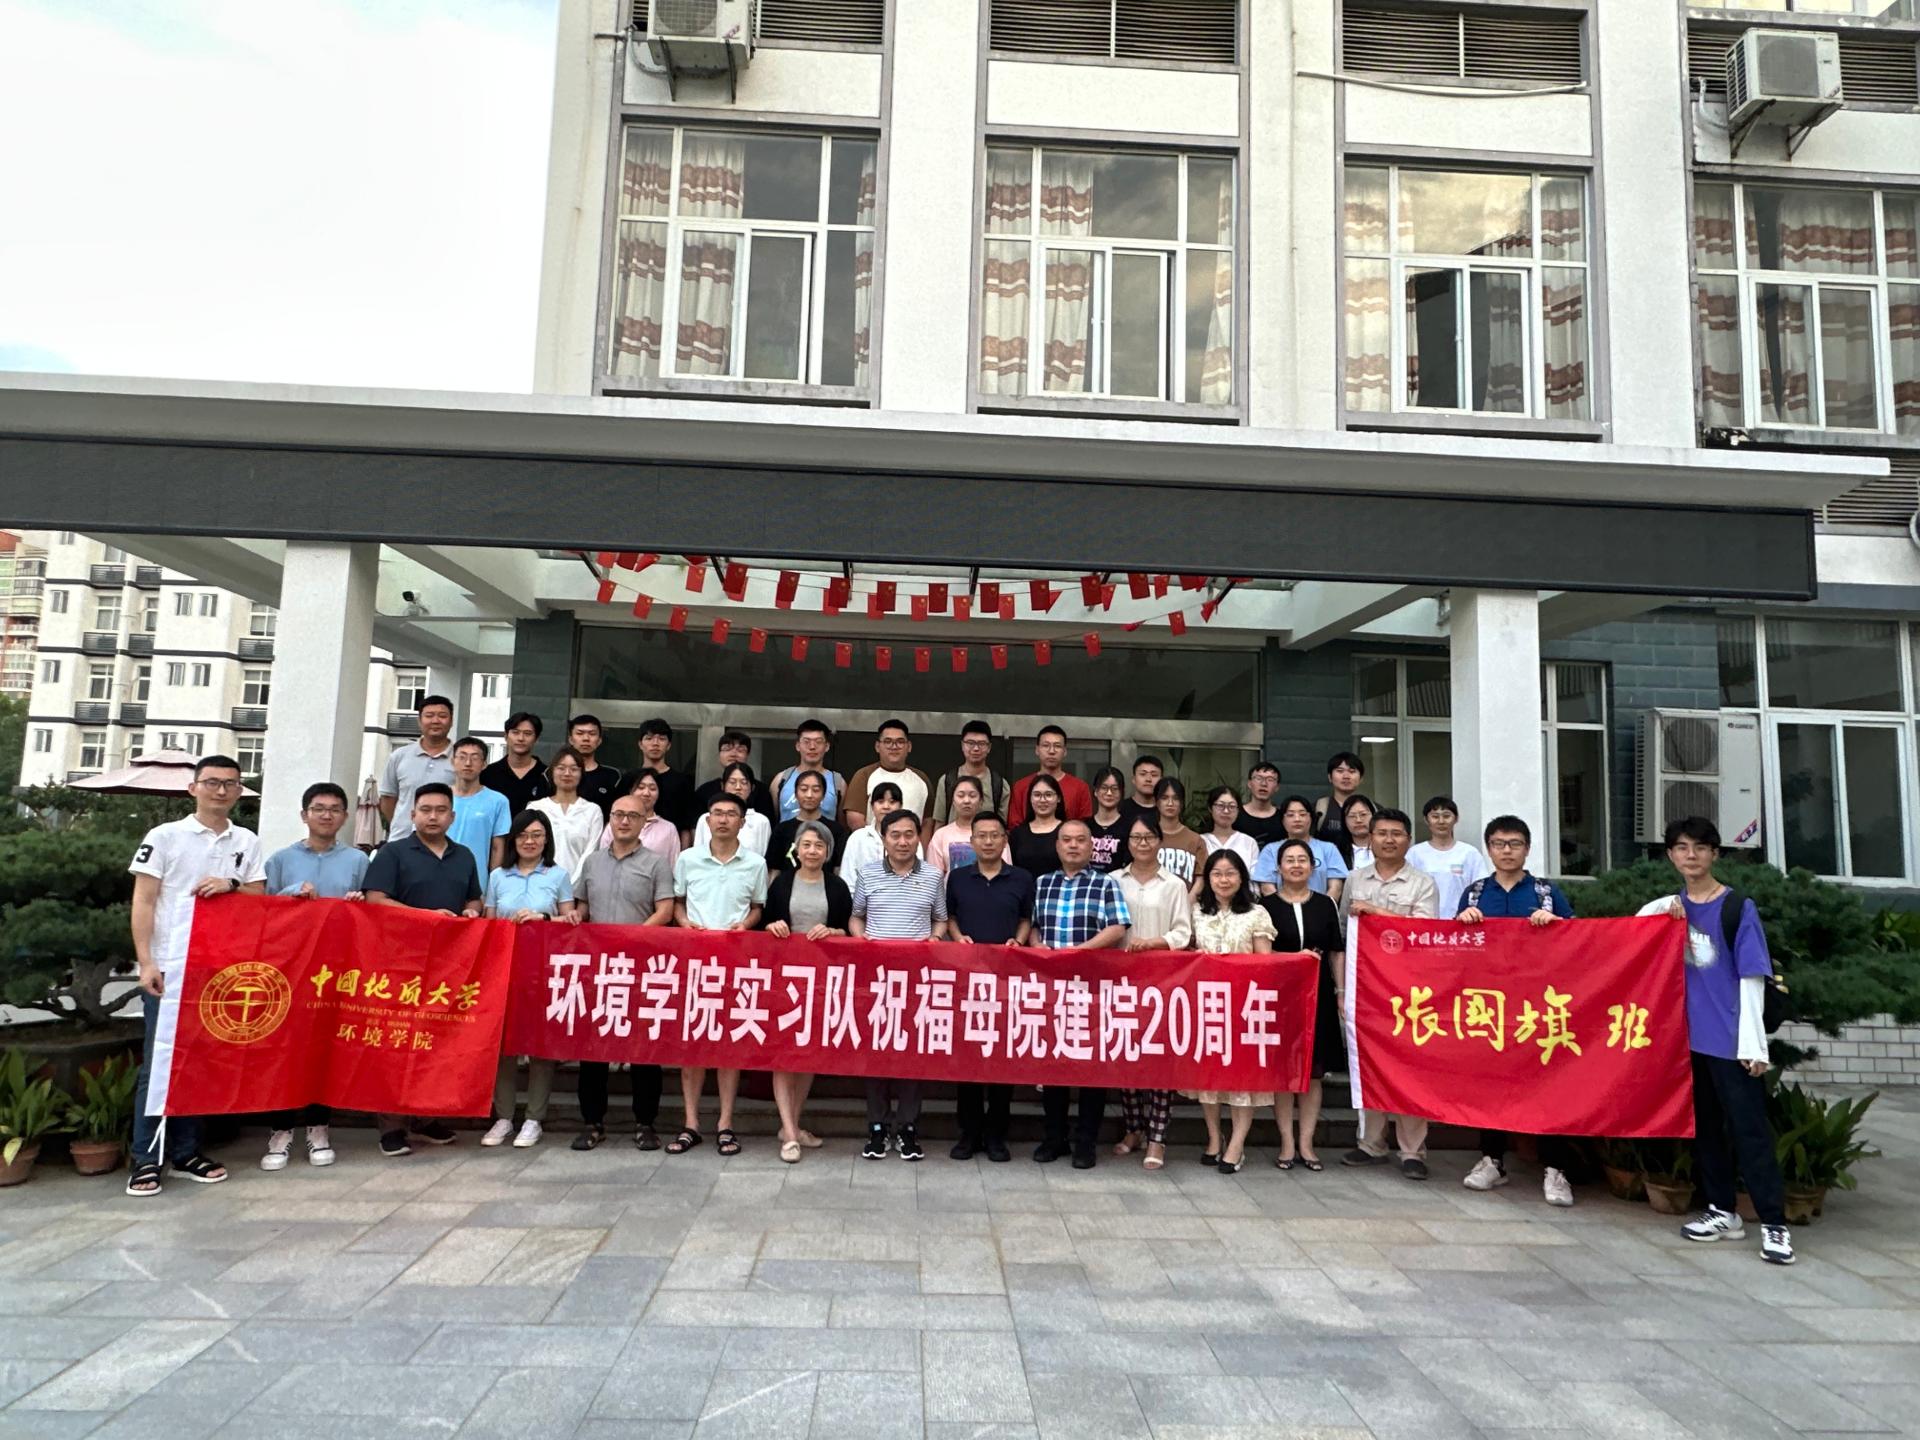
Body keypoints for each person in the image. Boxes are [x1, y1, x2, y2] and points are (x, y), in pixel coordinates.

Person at [1642, 817, 1794, 1265]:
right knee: (1706, 1129)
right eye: (1681, 847)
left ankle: (1774, 1224)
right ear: (1670, 855)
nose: (1691, 855)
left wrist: (1754, 1046)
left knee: (1749, 1131)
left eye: (1700, 847)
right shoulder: (1671, 908)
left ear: (1715, 854)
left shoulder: (1737, 908)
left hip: (1732, 1042)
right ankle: (1722, 1211)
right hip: (1690, 1042)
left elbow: (1753, 977)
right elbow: (1632, 929)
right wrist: (1664, 906)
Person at [124, 754, 265, 1196]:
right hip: (169, 966)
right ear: (194, 788)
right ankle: (146, 1158)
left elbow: (258, 895)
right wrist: (146, 961)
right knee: (160, 1062)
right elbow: (144, 900)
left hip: (217, 970)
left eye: (230, 784)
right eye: (212, 782)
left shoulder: (246, 840)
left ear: (239, 791)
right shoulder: (165, 836)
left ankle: (186, 1152)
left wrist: (231, 884)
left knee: (199, 1063)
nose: (221, 791)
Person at [1454, 814, 1578, 1205]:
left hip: (1539, 1006)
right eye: (1499, 844)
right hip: (1490, 1006)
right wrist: (1461, 922)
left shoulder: (1546, 892)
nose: (1506, 851)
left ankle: (1555, 1168)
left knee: (1550, 1085)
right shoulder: (1475, 892)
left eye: (1514, 844)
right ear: (1489, 849)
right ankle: (1492, 1160)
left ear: (1527, 849)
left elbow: (1579, 940)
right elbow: (1454, 949)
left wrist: (1555, 923)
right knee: (1490, 1083)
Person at [362, 782, 483, 1158]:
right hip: (400, 962)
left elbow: (474, 897)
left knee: (437, 1042)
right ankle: (392, 1126)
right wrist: (425, 917)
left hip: (448, 964)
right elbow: (375, 899)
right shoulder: (393, 852)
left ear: (452, 816)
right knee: (398, 1042)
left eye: (440, 810)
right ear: (412, 814)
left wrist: (472, 911)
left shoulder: (464, 855)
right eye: (426, 810)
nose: (433, 817)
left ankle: (425, 1117)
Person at [259, 781, 368, 1172]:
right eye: (319, 808)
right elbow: (262, 911)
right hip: (289, 968)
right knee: (286, 1049)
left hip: (336, 968)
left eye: (335, 809)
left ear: (345, 816)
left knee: (326, 1048)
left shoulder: (358, 861)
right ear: (304, 814)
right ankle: (280, 1130)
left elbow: (370, 914)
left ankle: (319, 1128)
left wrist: (359, 903)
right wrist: (290, 893)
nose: (326, 815)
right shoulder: (280, 860)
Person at [1339, 806, 1442, 1180]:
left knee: (1410, 1068)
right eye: (1381, 833)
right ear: (1370, 838)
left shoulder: (1422, 883)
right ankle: (1371, 1144)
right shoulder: (1355, 879)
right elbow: (1344, 934)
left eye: (1396, 834)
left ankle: (1413, 1151)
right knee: (1369, 1063)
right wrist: (1342, 987)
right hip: (1366, 988)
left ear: (1408, 840)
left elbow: (1424, 932)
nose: (1388, 840)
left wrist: (1376, 912)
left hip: (1409, 990)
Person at [571, 792, 676, 1153]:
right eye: (618, 815)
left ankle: (646, 1123)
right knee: (594, 1047)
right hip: (599, 967)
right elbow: (583, 907)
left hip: (642, 966)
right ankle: (592, 1121)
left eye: (632, 816)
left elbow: (665, 910)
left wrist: (632, 939)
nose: (624, 821)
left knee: (644, 1048)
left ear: (644, 822)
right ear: (610, 820)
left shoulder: (656, 864)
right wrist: (575, 916)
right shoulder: (592, 863)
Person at [670, 793, 769, 1158]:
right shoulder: (688, 859)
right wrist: (684, 923)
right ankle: (691, 1123)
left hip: (736, 962)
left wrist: (747, 924)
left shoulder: (755, 863)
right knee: (693, 1044)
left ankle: (725, 1123)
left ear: (742, 822)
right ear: (707, 820)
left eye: (731, 814)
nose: (724, 819)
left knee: (730, 1044)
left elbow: (757, 907)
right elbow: (677, 903)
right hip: (695, 961)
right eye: (717, 813)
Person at [1030, 820, 1130, 1168]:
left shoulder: (1106, 883)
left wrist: (1080, 952)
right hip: (1052, 987)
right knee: (1053, 1065)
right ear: (1057, 845)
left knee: (1091, 1068)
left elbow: (1118, 926)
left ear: (1092, 846)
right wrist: (1039, 948)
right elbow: (1033, 927)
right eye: (1067, 840)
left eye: (1080, 840)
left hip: (1092, 987)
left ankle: (1086, 1142)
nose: (1073, 846)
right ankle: (1054, 1138)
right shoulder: (1042, 883)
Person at [850, 810, 949, 1162]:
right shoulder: (868, 873)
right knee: (875, 1053)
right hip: (876, 979)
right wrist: (861, 940)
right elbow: (857, 915)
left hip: (917, 980)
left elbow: (940, 918)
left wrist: (935, 939)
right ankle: (877, 1127)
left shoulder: (933, 876)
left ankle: (908, 1127)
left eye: (909, 834)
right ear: (884, 838)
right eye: (895, 835)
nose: (903, 842)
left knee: (911, 1055)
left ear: (918, 838)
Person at [482, 812, 579, 1149]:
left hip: (544, 970)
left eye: (537, 835)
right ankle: (504, 1116)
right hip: (505, 969)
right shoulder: (498, 876)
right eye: (523, 835)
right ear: (513, 839)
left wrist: (544, 918)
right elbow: (489, 923)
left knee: (540, 1045)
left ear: (546, 839)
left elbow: (571, 921)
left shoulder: (558, 875)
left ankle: (534, 1118)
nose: (529, 841)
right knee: (504, 1045)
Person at [945, 809, 1033, 1162]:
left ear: (1004, 840)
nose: (988, 841)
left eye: (995, 835)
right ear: (971, 842)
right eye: (981, 836)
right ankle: (968, 1134)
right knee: (967, 1059)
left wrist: (1018, 941)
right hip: (967, 979)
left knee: (1001, 1060)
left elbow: (1026, 918)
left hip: (1007, 979)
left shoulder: (1021, 878)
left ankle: (996, 1136)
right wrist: (957, 937)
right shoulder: (958, 878)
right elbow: (950, 918)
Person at [760, 820, 849, 1164]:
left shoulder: (837, 887)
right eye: (807, 845)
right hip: (784, 978)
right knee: (784, 1053)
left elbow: (847, 930)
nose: (812, 851)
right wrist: (772, 925)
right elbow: (765, 923)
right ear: (796, 849)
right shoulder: (782, 882)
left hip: (821, 980)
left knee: (808, 1053)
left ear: (828, 852)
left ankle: (792, 1127)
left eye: (819, 846)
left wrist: (834, 932)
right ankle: (788, 1130)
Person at [1186, 850, 1277, 1174]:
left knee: (1242, 1080)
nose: (1223, 880)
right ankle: (1214, 1138)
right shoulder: (1197, 912)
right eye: (1217, 874)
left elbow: (1265, 962)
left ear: (1242, 878)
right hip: (1208, 1005)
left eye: (1230, 873)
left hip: (1245, 1006)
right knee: (1208, 1078)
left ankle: (1237, 1145)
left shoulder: (1256, 913)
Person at [1113, 816, 1192, 1171]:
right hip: (1120, 981)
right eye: (1136, 837)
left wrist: (1154, 943)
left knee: (1160, 1060)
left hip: (1163, 982)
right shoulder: (1113, 880)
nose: (1142, 843)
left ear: (1160, 841)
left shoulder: (1174, 885)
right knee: (1126, 1057)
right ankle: (1133, 1128)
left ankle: (1157, 1138)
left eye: (1149, 837)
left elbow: (1183, 933)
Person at [1262, 839, 1343, 1171]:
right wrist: (1294, 959)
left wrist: (1340, 990)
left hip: (1319, 994)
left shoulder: (1325, 904)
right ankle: (1286, 1142)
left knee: (1313, 1073)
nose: (1296, 865)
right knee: (1283, 1071)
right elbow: (1259, 952)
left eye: (1302, 860)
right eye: (1289, 860)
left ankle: (1307, 1144)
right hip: (1279, 995)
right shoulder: (1265, 905)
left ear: (1312, 867)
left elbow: (1336, 950)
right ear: (1278, 868)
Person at [380, 693, 457, 841]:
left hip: (445, 841)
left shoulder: (461, 759)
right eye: (429, 715)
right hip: (402, 839)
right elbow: (388, 799)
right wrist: (402, 823)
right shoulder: (399, 756)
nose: (435, 721)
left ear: (451, 721)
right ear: (420, 720)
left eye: (442, 716)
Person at [527, 746, 605, 880]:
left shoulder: (593, 811)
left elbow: (591, 852)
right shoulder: (535, 808)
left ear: (581, 773)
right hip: (539, 884)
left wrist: (571, 886)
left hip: (579, 886)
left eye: (574, 769)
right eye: (561, 768)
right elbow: (528, 849)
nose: (567, 773)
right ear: (552, 772)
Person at [1406, 795, 1490, 918]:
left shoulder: (1469, 853)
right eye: (1435, 816)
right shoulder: (1415, 853)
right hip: (1424, 921)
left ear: (1456, 819)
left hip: (1461, 921)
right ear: (1426, 820)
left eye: (1446, 816)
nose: (1441, 821)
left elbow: (1481, 888)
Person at [1254, 795, 1349, 902]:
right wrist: (1283, 908)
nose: (1297, 819)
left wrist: (1324, 908)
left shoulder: (1328, 849)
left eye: (1302, 814)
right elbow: (1267, 888)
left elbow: (1335, 887)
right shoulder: (1270, 850)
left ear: (1311, 818)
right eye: (1290, 815)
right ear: (1282, 820)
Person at [844, 719, 932, 831]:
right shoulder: (863, 775)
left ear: (909, 746)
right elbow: (855, 819)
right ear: (877, 746)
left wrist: (918, 843)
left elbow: (927, 821)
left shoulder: (921, 778)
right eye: (887, 741)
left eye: (900, 742)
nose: (894, 746)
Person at [448, 735, 511, 889]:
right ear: (452, 761)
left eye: (475, 758)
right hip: (436, 876)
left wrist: (493, 886)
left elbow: (498, 847)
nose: (468, 763)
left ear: (484, 764)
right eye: (462, 757)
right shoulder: (439, 797)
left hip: (476, 883)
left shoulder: (498, 801)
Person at [928, 719, 1009, 826]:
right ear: (962, 745)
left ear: (989, 747)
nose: (976, 748)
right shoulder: (947, 780)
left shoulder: (999, 784)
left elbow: (1003, 826)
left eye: (982, 744)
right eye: (970, 743)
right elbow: (939, 823)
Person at [1007, 725, 1093, 825]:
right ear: (1037, 750)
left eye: (1057, 746)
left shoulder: (1080, 787)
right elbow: (1014, 826)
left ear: (1065, 751)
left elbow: (1085, 826)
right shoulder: (1021, 786)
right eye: (1046, 745)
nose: (1051, 751)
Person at [598, 769, 683, 869]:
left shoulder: (668, 829)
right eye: (641, 787)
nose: (646, 793)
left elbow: (673, 867)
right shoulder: (615, 824)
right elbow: (603, 863)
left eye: (652, 789)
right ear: (630, 791)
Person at [767, 770, 847, 873]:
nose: (809, 795)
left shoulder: (836, 830)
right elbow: (774, 871)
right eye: (804, 789)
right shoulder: (782, 830)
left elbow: (838, 869)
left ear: (823, 795)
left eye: (816, 790)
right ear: (796, 794)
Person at [840, 781, 921, 882]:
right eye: (880, 801)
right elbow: (847, 877)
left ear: (900, 806)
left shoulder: (910, 839)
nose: (886, 806)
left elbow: (919, 875)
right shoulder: (857, 838)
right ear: (872, 806)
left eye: (892, 802)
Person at [693, 729, 778, 825]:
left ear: (747, 755)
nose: (733, 754)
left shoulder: (762, 791)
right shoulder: (704, 790)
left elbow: (768, 826)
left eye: (740, 750)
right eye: (727, 749)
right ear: (719, 754)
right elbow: (695, 826)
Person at [770, 718, 846, 822]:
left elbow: (842, 823)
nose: (812, 747)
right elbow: (773, 818)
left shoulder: (838, 782)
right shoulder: (781, 780)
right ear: (798, 746)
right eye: (806, 741)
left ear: (827, 746)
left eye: (818, 742)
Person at [636, 717, 698, 842]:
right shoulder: (629, 779)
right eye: (649, 738)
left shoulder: (682, 782)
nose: (655, 743)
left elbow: (685, 827)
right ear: (640, 744)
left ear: (669, 745)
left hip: (670, 845)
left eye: (661, 739)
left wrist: (682, 853)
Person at [693, 762, 773, 857]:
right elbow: (697, 854)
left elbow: (763, 857)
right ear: (723, 786)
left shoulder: (761, 821)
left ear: (752, 787)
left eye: (744, 782)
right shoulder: (706, 818)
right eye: (732, 782)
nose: (738, 787)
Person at [481, 711, 550, 815]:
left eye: (527, 733)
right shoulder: (488, 774)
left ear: (536, 738)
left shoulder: (547, 775)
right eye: (515, 732)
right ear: (506, 736)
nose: (521, 738)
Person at [567, 713, 626, 819]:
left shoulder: (613, 776)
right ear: (571, 739)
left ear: (599, 740)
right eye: (580, 733)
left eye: (592, 733)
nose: (586, 738)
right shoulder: (555, 773)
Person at [1151, 776, 1208, 888]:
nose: (1170, 803)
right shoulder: (1147, 837)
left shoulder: (1195, 839)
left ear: (1182, 803)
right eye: (1164, 798)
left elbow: (1201, 879)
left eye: (1176, 798)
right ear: (1156, 802)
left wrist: (1189, 898)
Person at [1008, 773, 1067, 876]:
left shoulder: (1068, 831)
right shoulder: (1017, 834)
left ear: (1058, 798)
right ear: (1030, 798)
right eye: (1037, 795)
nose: (1042, 800)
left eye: (1048, 795)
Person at [924, 774, 983, 874]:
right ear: (953, 801)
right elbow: (934, 876)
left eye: (972, 796)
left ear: (981, 801)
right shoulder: (940, 835)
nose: (966, 801)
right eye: (960, 795)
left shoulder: (993, 835)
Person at [1313, 752, 1365, 848]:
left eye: (1352, 771)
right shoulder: (1318, 808)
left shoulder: (1372, 809)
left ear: (1361, 778)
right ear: (1330, 777)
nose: (1346, 776)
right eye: (1340, 771)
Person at [1201, 785, 1259, 871]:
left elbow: (1253, 876)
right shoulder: (1200, 841)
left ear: (1238, 810)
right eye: (1220, 805)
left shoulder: (1249, 842)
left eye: (1231, 806)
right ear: (1210, 808)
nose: (1226, 811)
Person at [1085, 766, 1131, 872]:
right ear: (1095, 791)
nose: (1109, 793)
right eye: (1104, 788)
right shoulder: (1084, 826)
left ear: (1121, 792)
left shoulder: (1129, 827)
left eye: (1114, 789)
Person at [1235, 762, 1287, 851]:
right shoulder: (1235, 815)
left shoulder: (1283, 818)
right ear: (1249, 783)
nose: (1263, 784)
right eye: (1258, 778)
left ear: (1277, 787)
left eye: (1270, 780)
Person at [1120, 754, 1164, 832]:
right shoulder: (1120, 808)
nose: (1148, 779)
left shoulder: (1166, 810)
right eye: (1143, 774)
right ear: (1133, 779)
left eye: (1154, 775)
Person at [1343, 793, 1378, 871]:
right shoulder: (1336, 852)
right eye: (1352, 816)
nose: (1358, 820)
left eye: (1363, 814)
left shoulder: (1386, 847)